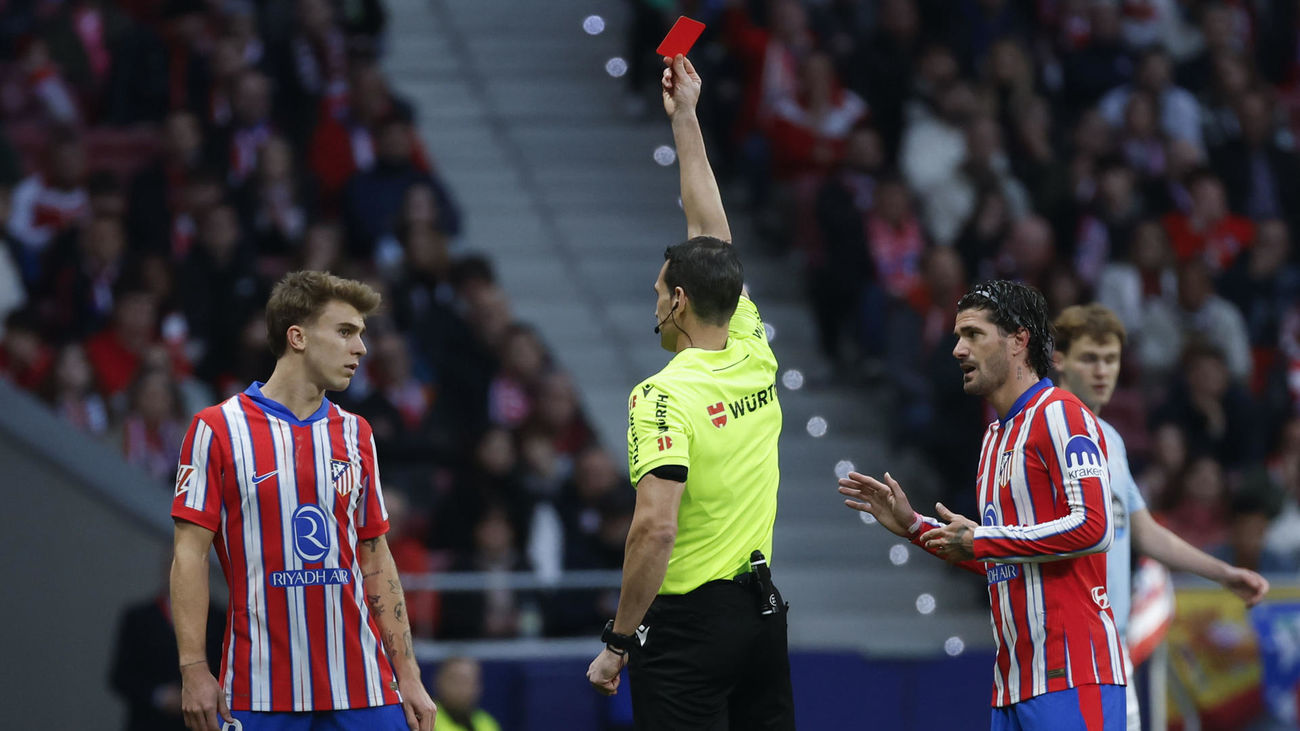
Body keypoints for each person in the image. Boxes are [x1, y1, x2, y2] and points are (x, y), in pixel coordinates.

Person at [585, 55, 796, 730]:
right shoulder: (751, 340)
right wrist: (685, 117)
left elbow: (655, 526)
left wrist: (618, 640)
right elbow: (711, 232)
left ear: (679, 300)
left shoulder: (661, 395)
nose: (651, 300)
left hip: (687, 630)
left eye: (657, 290)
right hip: (760, 615)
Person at [839, 280, 1126, 730]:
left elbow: (1094, 528)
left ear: (1018, 340)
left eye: (973, 334)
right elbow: (999, 559)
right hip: (1012, 686)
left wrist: (984, 539)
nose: (957, 349)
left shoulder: (1061, 414)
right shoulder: (993, 438)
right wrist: (915, 526)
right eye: (957, 336)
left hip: (1073, 676)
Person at [169, 271, 437, 731]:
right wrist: (194, 668)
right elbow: (188, 555)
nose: (361, 349)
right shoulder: (216, 429)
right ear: (297, 337)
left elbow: (375, 558)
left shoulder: (357, 433)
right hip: (259, 692)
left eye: (362, 335)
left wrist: (408, 675)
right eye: (345, 332)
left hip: (365, 688)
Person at [1051, 303, 1269, 730]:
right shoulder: (1043, 431)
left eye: (1111, 359)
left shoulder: (1110, 439)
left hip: (1112, 650)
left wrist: (1222, 573)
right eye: (1089, 358)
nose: (1102, 371)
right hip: (1065, 651)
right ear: (1058, 359)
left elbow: (1144, 531)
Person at [432, 657, 501, 731]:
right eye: (455, 680)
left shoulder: (487, 723)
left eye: (467, 681)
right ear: (438, 682)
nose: (461, 687)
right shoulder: (427, 718)